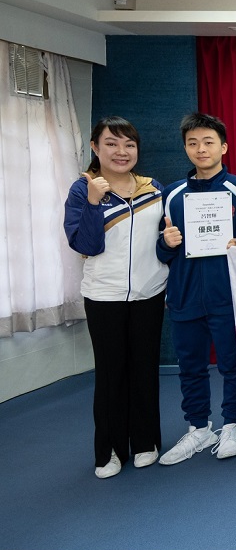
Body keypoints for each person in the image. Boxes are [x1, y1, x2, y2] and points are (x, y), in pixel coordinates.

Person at [64, 116, 169, 479]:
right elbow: (85, 244)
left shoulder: (153, 189)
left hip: (149, 293)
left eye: (129, 144)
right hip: (103, 296)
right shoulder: (83, 189)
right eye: (111, 143)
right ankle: (109, 451)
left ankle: (145, 442)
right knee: (111, 373)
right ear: (95, 147)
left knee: (144, 369)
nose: (121, 152)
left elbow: (162, 243)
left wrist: (168, 245)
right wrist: (94, 203)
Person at [156, 113, 236, 465]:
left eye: (209, 142)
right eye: (193, 143)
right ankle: (198, 428)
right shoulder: (170, 195)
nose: (201, 149)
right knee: (191, 366)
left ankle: (232, 425)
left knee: (231, 364)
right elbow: (160, 252)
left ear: (224, 147)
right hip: (184, 294)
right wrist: (166, 243)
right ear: (185, 148)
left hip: (228, 296)